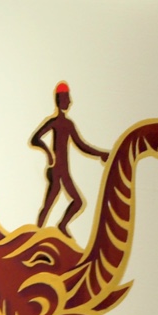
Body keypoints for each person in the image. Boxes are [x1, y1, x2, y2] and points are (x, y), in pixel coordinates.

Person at [32, 81, 109, 237]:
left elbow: (81, 145)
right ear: (60, 100)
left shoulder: (68, 124)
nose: (70, 101)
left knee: (77, 202)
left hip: (64, 172)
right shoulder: (54, 122)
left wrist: (100, 154)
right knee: (48, 205)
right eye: (67, 98)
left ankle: (61, 225)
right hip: (56, 170)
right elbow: (35, 139)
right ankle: (35, 235)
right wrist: (48, 152)